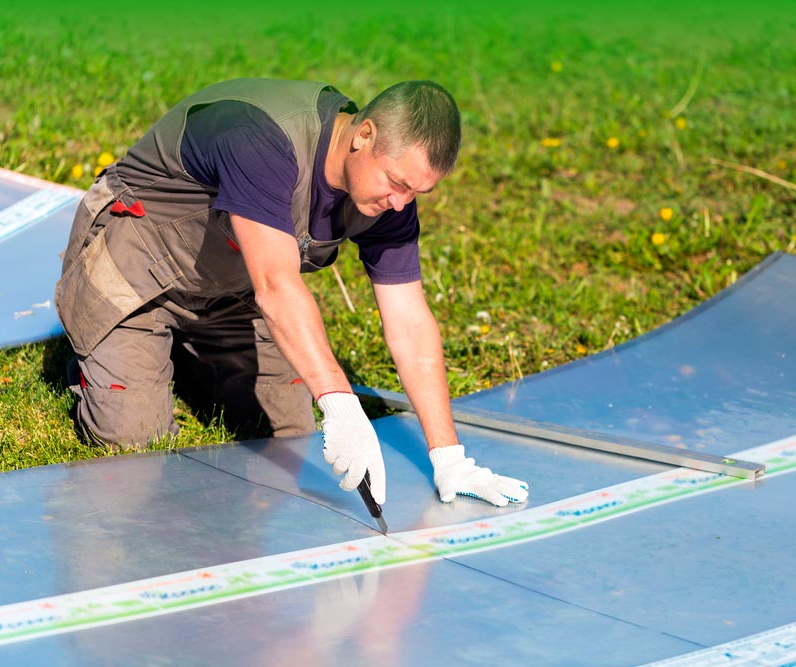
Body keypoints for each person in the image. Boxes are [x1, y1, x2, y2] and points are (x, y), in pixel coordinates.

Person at [55, 78, 528, 508]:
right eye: (397, 184)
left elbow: (409, 321)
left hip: (230, 291)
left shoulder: (393, 200)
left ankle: (182, 357)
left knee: (292, 431)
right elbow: (278, 286)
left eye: (417, 193)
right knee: (135, 444)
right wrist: (341, 405)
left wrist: (448, 457)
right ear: (364, 135)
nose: (401, 205)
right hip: (137, 271)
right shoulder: (262, 137)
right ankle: (107, 350)